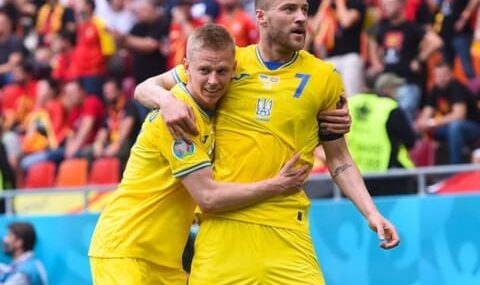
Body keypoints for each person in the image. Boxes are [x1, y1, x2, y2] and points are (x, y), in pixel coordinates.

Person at [135, 1, 400, 284]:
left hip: (287, 230)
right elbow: (145, 88)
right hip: (224, 232)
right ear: (260, 17)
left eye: (304, 10)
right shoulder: (226, 64)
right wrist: (167, 101)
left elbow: (339, 159)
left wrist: (371, 213)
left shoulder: (324, 78)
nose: (300, 18)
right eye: (288, 9)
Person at [88, 24, 309, 285]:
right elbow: (208, 197)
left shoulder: (219, 105)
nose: (213, 81)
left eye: (221, 71)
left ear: (233, 69)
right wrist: (276, 185)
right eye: (204, 71)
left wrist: (326, 115)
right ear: (187, 68)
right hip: (124, 251)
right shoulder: (177, 118)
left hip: (165, 260)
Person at [348, 72, 416, 195]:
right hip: (388, 173)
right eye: (396, 87)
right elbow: (410, 141)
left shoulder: (352, 102)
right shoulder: (391, 108)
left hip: (354, 174)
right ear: (387, 89)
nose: (399, 91)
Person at [415, 61, 480, 164]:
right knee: (419, 127)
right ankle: (423, 167)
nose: (441, 78)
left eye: (443, 75)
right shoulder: (435, 89)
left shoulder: (456, 87)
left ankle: (454, 167)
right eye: (438, 76)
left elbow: (459, 116)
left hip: (473, 127)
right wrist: (422, 122)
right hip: (447, 127)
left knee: (455, 127)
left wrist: (433, 122)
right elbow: (427, 110)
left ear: (450, 74)